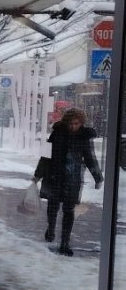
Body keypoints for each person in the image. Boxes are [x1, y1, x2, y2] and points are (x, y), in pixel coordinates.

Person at [32, 108, 103, 256]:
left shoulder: (84, 137)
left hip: (73, 178)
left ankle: (65, 242)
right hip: (54, 176)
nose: (73, 126)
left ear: (81, 123)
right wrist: (38, 175)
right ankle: (51, 228)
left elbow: (90, 158)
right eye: (70, 123)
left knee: (69, 210)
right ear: (66, 122)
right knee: (53, 207)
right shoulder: (57, 133)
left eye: (76, 123)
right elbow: (46, 156)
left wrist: (97, 177)